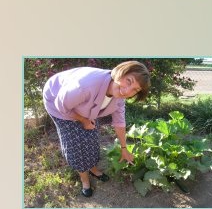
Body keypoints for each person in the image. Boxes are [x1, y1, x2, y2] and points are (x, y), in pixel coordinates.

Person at [43, 61, 150, 197]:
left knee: (91, 136)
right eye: (129, 81)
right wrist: (83, 120)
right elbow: (61, 105)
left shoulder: (119, 97)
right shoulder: (84, 86)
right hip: (60, 105)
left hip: (84, 108)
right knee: (76, 145)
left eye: (135, 90)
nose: (128, 91)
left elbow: (119, 122)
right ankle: (85, 179)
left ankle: (93, 168)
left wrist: (124, 149)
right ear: (119, 72)